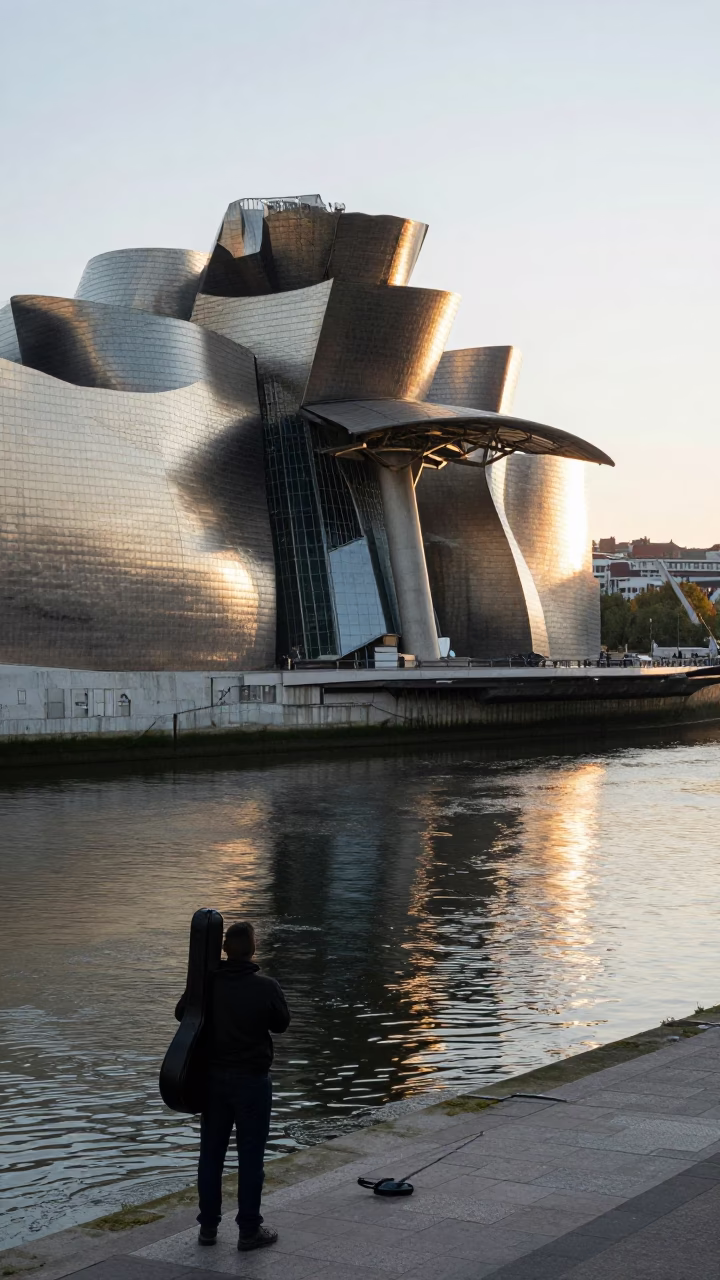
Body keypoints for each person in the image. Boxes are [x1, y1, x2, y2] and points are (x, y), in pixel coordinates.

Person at [174, 921, 290, 1252]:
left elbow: (183, 1014)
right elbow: (281, 1025)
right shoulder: (266, 986)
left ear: (225, 950)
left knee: (211, 1155)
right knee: (251, 1157)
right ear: (253, 949)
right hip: (252, 1083)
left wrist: (198, 983)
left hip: (212, 1082)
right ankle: (248, 1231)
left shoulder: (206, 984)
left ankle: (208, 1228)